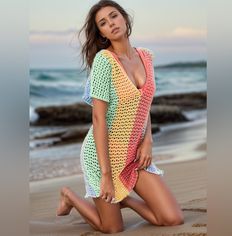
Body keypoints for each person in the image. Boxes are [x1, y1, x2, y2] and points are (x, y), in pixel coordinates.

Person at [56, 0, 184, 233]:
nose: (111, 24)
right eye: (103, 23)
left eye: (113, 16)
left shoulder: (146, 56)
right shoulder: (104, 62)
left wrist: (147, 141)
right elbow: (98, 119)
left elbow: (143, 103)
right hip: (102, 157)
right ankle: (70, 196)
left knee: (172, 218)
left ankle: (124, 200)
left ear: (125, 18)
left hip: (135, 155)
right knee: (112, 228)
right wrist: (106, 175)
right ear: (101, 33)